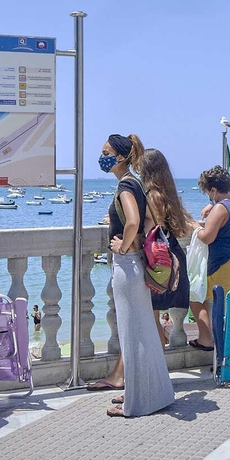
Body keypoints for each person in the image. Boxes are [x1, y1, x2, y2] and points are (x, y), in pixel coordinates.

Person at [95, 134, 175, 418]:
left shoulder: (126, 185)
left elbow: (134, 221)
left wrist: (124, 244)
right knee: (141, 332)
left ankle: (136, 402)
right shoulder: (137, 183)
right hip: (135, 265)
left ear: (119, 157)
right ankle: (150, 393)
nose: (101, 156)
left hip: (126, 264)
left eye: (105, 152)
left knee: (132, 334)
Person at [139, 148, 194, 351]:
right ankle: (159, 369)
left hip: (157, 259)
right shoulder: (167, 194)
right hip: (171, 254)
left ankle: (157, 372)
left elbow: (150, 227)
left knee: (151, 318)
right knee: (153, 318)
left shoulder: (152, 196)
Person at [191, 166, 230, 353]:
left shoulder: (220, 208)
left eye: (207, 192)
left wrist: (196, 227)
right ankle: (224, 348)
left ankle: (209, 342)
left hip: (222, 263)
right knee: (223, 307)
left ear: (213, 190)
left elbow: (207, 237)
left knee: (195, 295)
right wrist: (212, 207)